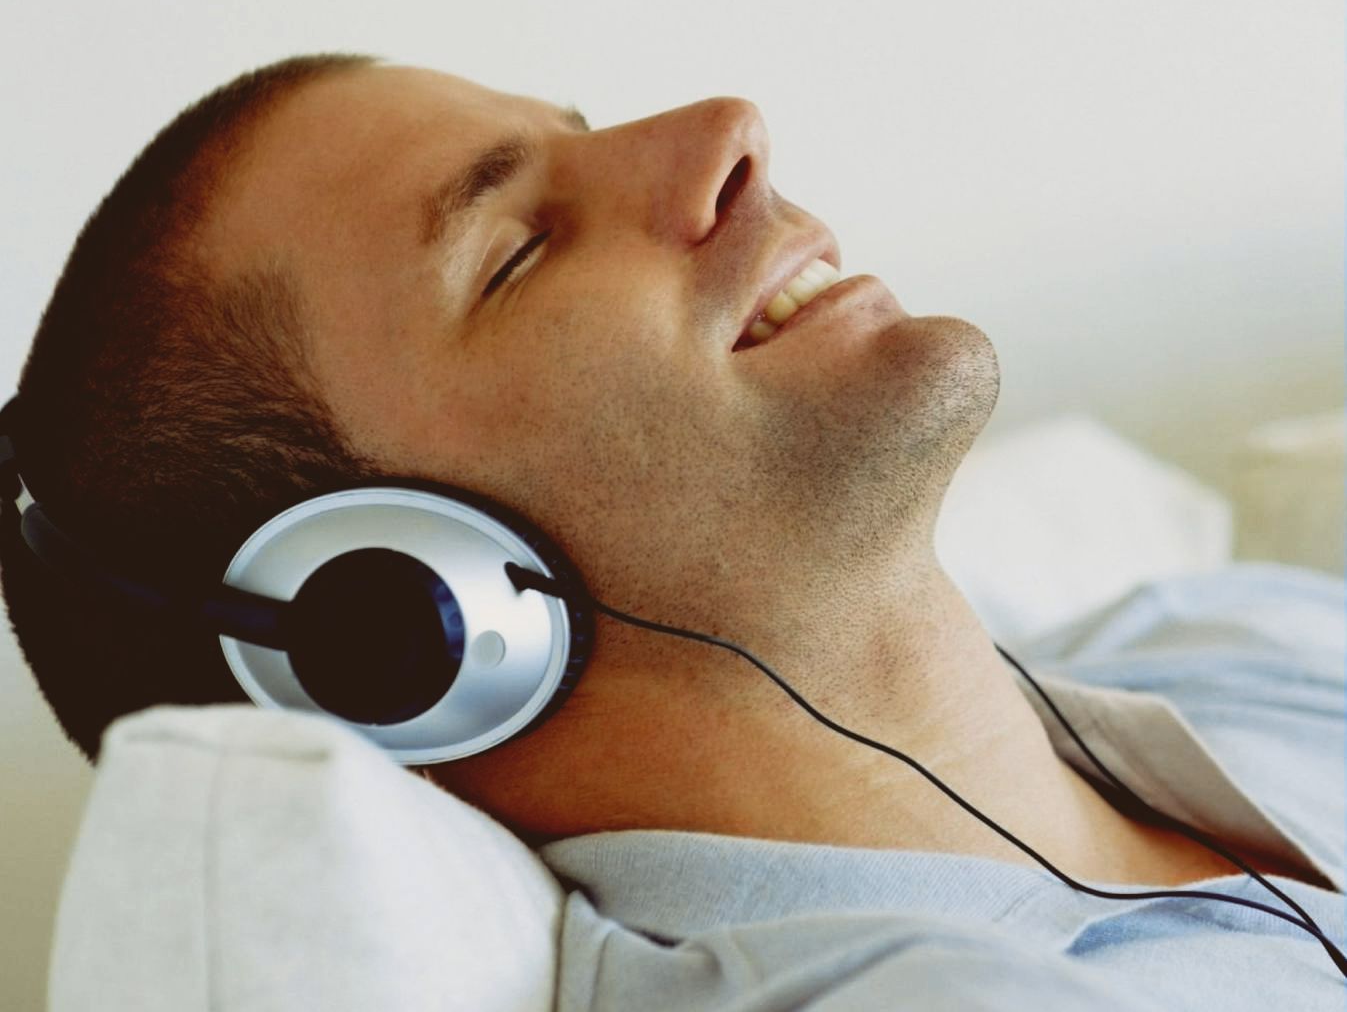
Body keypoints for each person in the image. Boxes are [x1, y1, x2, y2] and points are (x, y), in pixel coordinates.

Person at [2, 54, 1342, 1006]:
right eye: (519, 250)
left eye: (585, 133)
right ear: (395, 622)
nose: (724, 130)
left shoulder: (1231, 636)